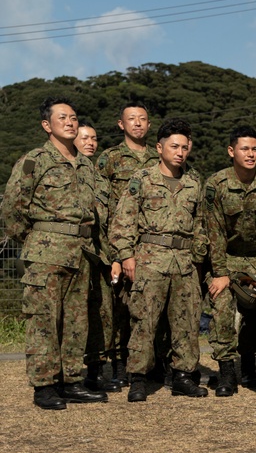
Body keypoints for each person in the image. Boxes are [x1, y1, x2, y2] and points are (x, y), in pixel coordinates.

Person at [1, 97, 106, 409]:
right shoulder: (34, 161)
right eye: (63, 117)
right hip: (46, 252)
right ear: (47, 125)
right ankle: (44, 385)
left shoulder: (86, 165)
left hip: (82, 251)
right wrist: (36, 239)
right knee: (44, 320)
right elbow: (11, 209)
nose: (71, 122)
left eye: (74, 117)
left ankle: (71, 380)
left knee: (76, 321)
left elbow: (99, 209)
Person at [108, 119, 209, 402]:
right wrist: (126, 255)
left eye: (185, 147)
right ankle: (138, 378)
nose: (180, 152)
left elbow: (201, 225)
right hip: (149, 258)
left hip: (184, 261)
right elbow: (123, 220)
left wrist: (198, 258)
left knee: (187, 323)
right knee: (144, 321)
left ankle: (183, 376)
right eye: (174, 146)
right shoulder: (142, 178)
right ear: (159, 147)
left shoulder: (194, 181)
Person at [204, 125, 256, 395]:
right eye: (244, 149)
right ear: (231, 151)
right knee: (222, 305)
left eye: (255, 149)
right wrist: (220, 273)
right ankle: (227, 371)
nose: (251, 154)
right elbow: (213, 232)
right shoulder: (217, 184)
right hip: (227, 258)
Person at [96, 102, 158, 386]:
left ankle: (152, 365)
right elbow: (101, 205)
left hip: (153, 245)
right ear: (120, 124)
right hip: (118, 243)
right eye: (131, 119)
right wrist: (114, 252)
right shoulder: (109, 159)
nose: (137, 123)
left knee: (149, 309)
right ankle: (120, 365)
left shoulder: (161, 156)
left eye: (142, 119)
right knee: (118, 309)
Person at [74, 119, 120, 394]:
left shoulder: (102, 181)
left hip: (100, 258)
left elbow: (112, 221)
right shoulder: (64, 174)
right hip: (72, 255)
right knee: (71, 316)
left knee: (101, 315)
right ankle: (64, 375)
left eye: (94, 138)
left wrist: (115, 256)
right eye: (85, 138)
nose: (90, 142)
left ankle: (94, 372)